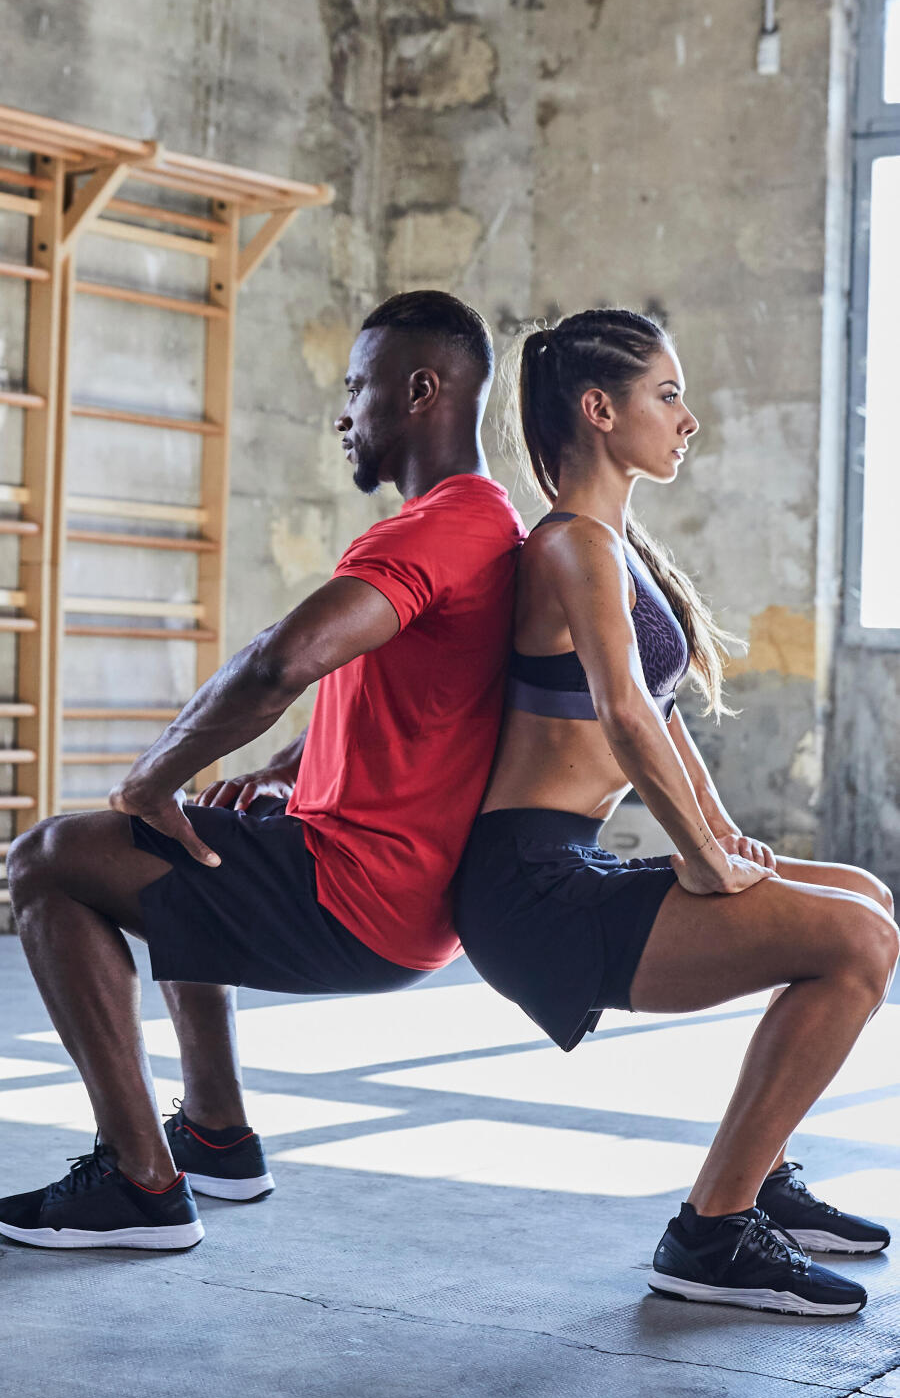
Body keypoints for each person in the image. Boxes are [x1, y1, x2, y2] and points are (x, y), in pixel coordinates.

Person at [0, 290, 524, 1251]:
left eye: (357, 386)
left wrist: (151, 776)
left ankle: (140, 1184)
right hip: (396, 890)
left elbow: (282, 660)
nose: (345, 412)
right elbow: (422, 700)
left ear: (419, 391)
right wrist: (292, 766)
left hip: (362, 895)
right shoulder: (483, 524)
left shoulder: (445, 524)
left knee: (46, 857)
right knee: (186, 840)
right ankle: (216, 1136)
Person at [456, 307, 899, 1317]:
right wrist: (700, 858)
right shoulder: (570, 545)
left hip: (565, 865)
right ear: (600, 409)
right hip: (531, 889)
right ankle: (710, 1233)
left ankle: (762, 1179)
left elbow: (661, 722)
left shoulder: (610, 543)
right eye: (668, 394)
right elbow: (621, 713)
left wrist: (729, 835)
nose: (688, 418)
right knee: (857, 945)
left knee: (863, 896)